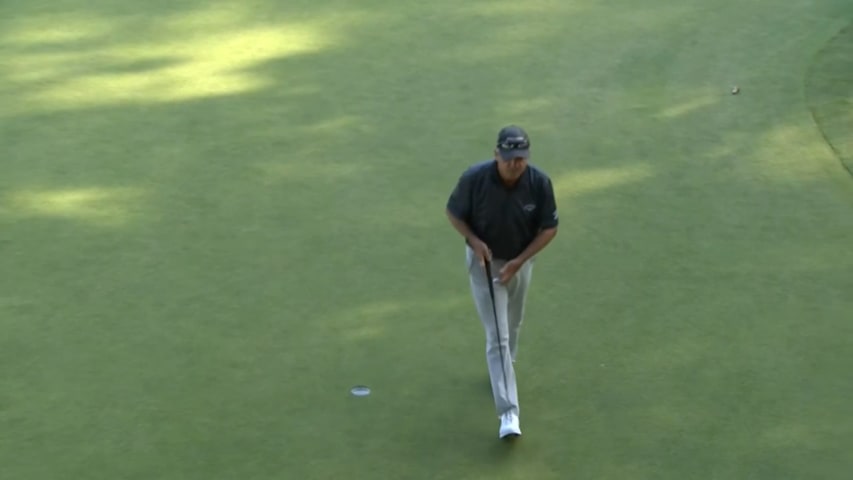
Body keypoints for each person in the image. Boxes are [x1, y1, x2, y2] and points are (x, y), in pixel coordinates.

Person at [445, 125, 559, 439]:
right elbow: (453, 213)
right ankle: (509, 413)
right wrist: (474, 242)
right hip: (485, 261)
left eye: (520, 158)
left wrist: (519, 262)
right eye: (509, 158)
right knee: (498, 335)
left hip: (520, 260)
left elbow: (549, 228)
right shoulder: (474, 179)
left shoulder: (539, 183)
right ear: (497, 154)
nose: (514, 164)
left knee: (514, 322)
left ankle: (502, 369)